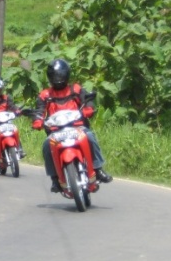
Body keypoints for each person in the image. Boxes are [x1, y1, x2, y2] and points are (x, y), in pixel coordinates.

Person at [31, 58, 113, 192]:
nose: (58, 79)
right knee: (46, 146)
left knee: (90, 136)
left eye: (60, 75)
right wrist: (37, 121)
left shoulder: (76, 89)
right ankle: (54, 179)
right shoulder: (45, 95)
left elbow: (87, 101)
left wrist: (88, 108)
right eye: (55, 76)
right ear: (50, 77)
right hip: (55, 132)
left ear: (67, 75)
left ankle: (98, 169)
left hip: (77, 127)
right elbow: (39, 111)